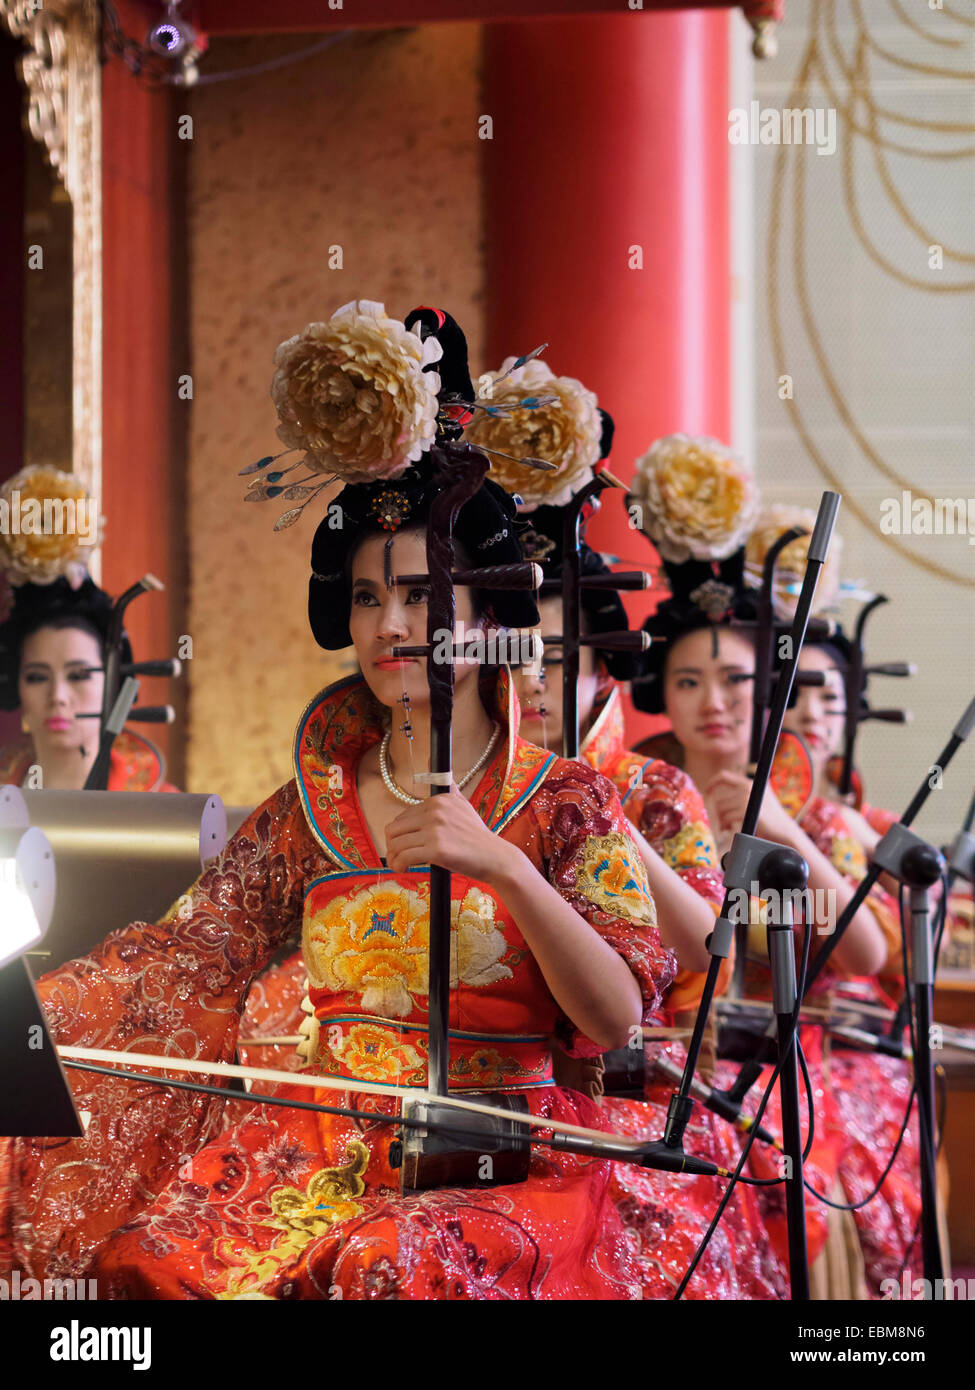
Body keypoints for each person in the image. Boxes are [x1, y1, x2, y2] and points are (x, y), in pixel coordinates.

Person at [0, 303, 675, 1301]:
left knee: (382, 1268)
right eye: (367, 597)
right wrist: (30, 1014)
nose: (390, 623)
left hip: (508, 1152)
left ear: (485, 615)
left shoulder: (566, 800)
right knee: (153, 1264)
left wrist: (503, 864)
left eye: (419, 594)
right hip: (324, 1146)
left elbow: (616, 1017)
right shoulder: (309, 807)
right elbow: (183, 962)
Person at [0, 465, 176, 793]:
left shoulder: (164, 817)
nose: (58, 698)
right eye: (37, 677)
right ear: (14, 683)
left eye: (79, 675)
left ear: (113, 680)